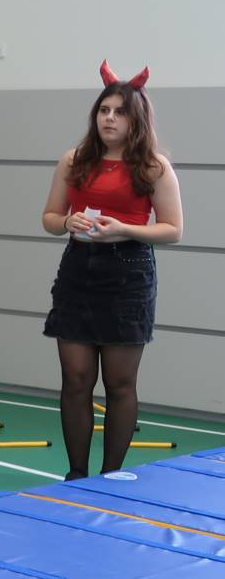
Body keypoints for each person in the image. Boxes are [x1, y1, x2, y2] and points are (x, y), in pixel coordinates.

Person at [40, 61, 184, 479]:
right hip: (78, 271)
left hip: (128, 274)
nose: (109, 118)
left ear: (135, 119)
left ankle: (111, 476)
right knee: (76, 379)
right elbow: (49, 218)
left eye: (119, 112)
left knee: (119, 384)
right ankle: (77, 474)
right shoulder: (73, 160)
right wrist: (67, 222)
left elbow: (173, 229)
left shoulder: (154, 166)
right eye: (104, 110)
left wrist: (123, 228)